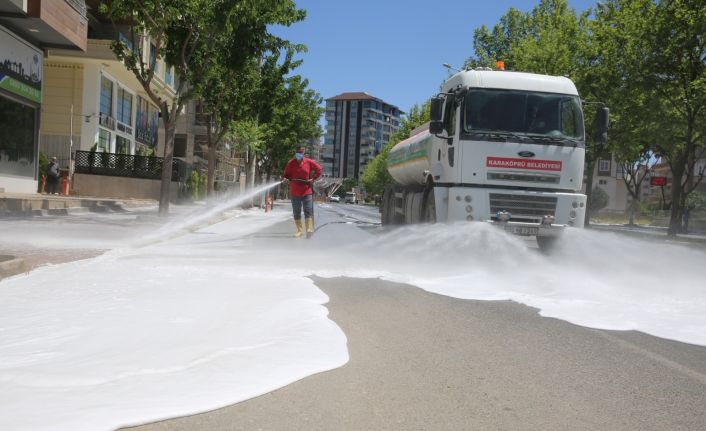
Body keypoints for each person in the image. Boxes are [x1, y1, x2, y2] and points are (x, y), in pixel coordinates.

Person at [282, 146, 322, 238]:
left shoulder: (309, 162)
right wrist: (285, 179)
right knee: (297, 211)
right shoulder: (291, 163)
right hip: (295, 191)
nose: (299, 154)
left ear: (303, 153)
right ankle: (299, 231)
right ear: (295, 152)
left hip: (306, 190)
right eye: (297, 152)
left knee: (308, 210)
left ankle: (309, 229)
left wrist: (313, 178)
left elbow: (319, 169)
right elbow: (286, 175)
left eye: (301, 152)